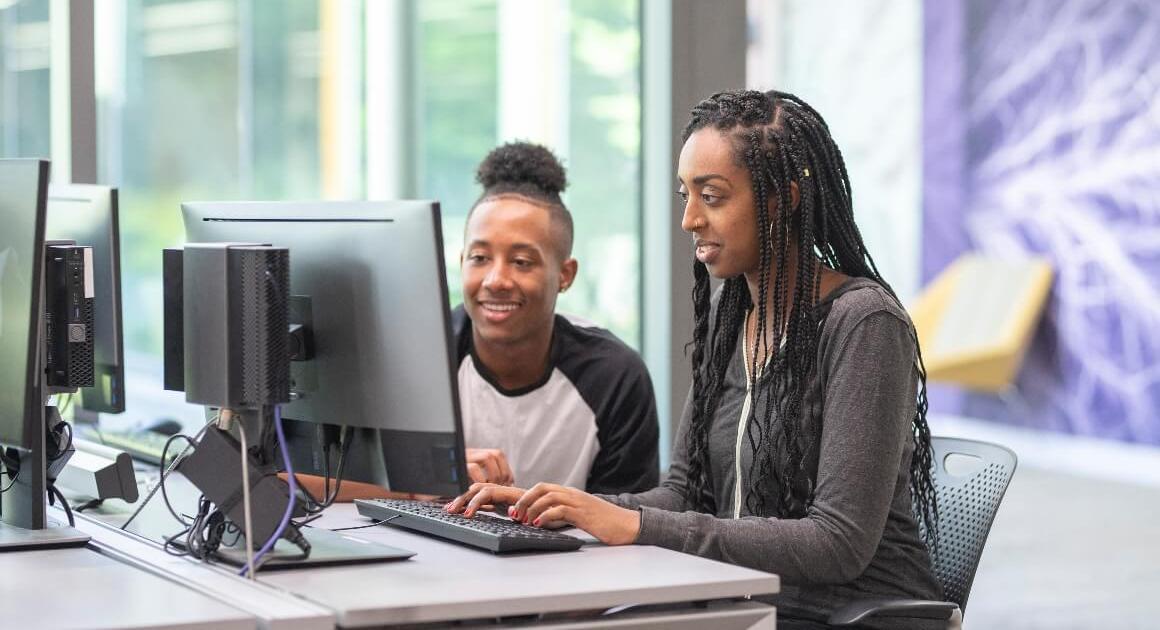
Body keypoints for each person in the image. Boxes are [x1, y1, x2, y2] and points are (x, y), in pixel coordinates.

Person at [447, 91, 943, 629]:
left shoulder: (863, 323)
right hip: (743, 604)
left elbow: (837, 542)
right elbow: (682, 491)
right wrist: (560, 511)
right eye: (686, 195)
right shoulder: (734, 314)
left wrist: (633, 525)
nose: (689, 220)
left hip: (849, 616)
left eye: (712, 196)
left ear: (784, 200)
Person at [455, 141, 659, 495]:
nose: (496, 280)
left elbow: (627, 527)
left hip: (570, 551)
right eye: (480, 258)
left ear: (565, 275)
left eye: (521, 262)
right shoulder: (423, 356)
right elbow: (333, 484)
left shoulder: (615, 377)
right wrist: (433, 478)